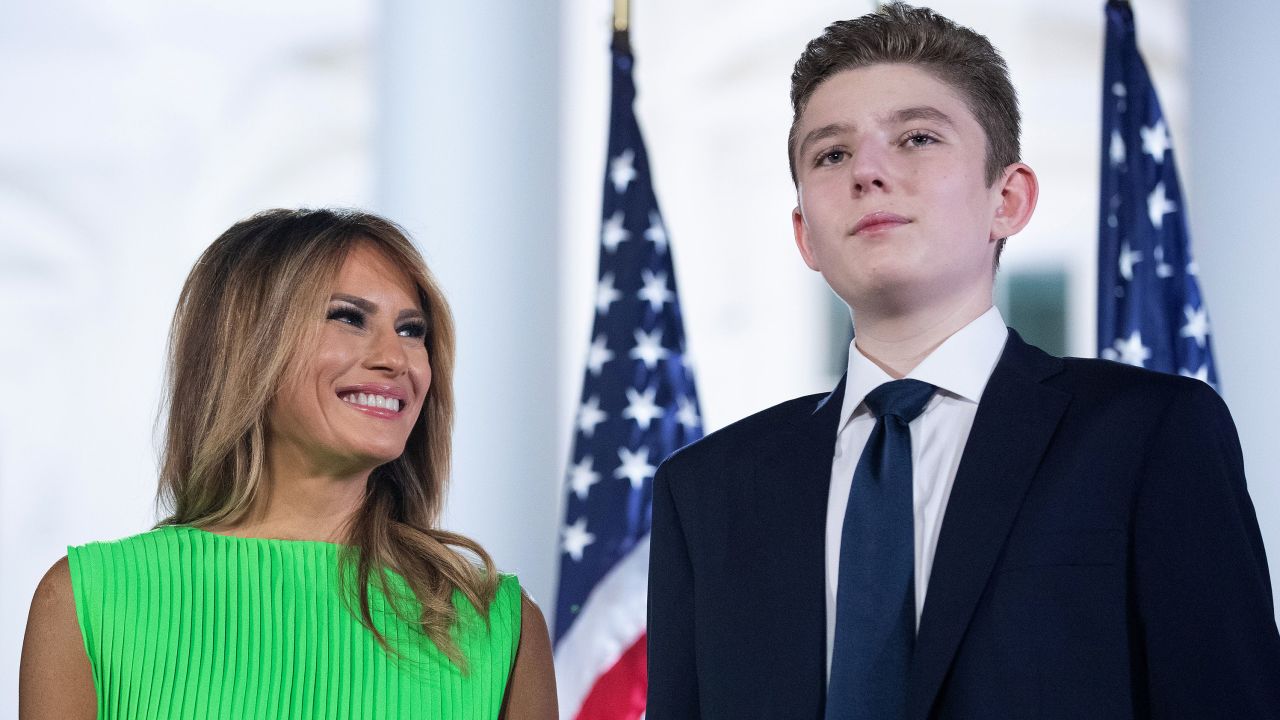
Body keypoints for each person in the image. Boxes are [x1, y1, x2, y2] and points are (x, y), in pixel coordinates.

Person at [647, 4, 1280, 719]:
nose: (869, 172)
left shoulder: (1150, 434)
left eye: (917, 137)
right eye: (831, 154)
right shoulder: (703, 492)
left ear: (1007, 199)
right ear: (806, 236)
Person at [19, 208, 558, 719]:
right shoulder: (89, 602)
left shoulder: (497, 624)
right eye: (348, 318)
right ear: (247, 345)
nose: (396, 359)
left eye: (411, 330)